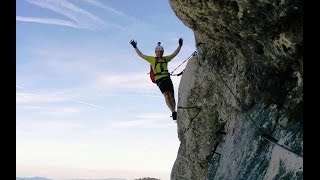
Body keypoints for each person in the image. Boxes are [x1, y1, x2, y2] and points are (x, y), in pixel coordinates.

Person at [129, 38, 183, 120]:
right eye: (158, 51)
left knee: (171, 95)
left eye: (161, 52)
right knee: (166, 95)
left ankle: (174, 111)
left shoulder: (166, 59)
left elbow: (174, 54)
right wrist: (135, 47)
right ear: (155, 52)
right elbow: (141, 55)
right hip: (159, 79)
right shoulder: (152, 59)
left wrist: (180, 45)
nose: (159, 53)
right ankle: (172, 111)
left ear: (162, 52)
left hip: (167, 78)